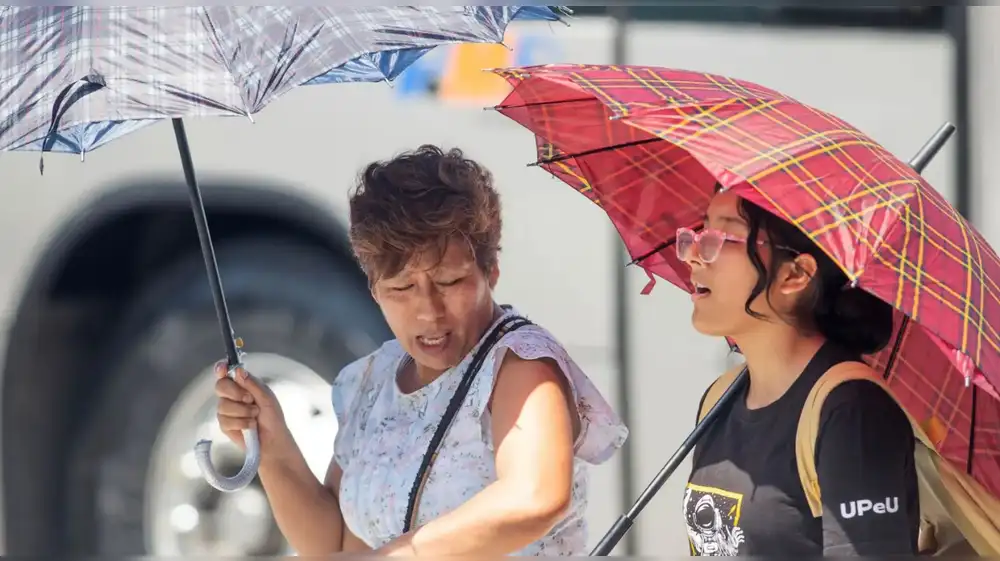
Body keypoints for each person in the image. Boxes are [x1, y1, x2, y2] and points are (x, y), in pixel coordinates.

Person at [212, 144, 628, 556]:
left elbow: (535, 498)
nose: (429, 312)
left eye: (448, 282)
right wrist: (271, 442)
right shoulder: (372, 381)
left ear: (491, 272)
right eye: (402, 289)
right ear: (374, 290)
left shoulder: (520, 365)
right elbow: (336, 545)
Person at [680, 186, 919, 556]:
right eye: (698, 232)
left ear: (794, 274)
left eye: (721, 236)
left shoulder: (851, 411)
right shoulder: (719, 396)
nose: (694, 253)